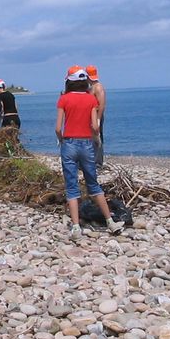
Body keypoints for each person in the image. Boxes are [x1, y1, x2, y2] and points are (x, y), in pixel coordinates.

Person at [55, 66, 125, 239]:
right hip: (87, 143)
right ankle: (110, 222)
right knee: (93, 184)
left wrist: (62, 139)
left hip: (69, 144)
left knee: (72, 186)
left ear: (69, 81)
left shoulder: (64, 99)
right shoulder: (91, 99)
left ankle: (76, 227)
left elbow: (57, 128)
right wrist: (95, 138)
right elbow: (95, 126)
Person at [86, 65, 107, 166]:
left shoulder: (98, 87)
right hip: (91, 116)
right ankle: (91, 159)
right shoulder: (91, 87)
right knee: (91, 137)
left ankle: (98, 161)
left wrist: (98, 119)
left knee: (97, 137)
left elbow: (102, 104)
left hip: (97, 115)